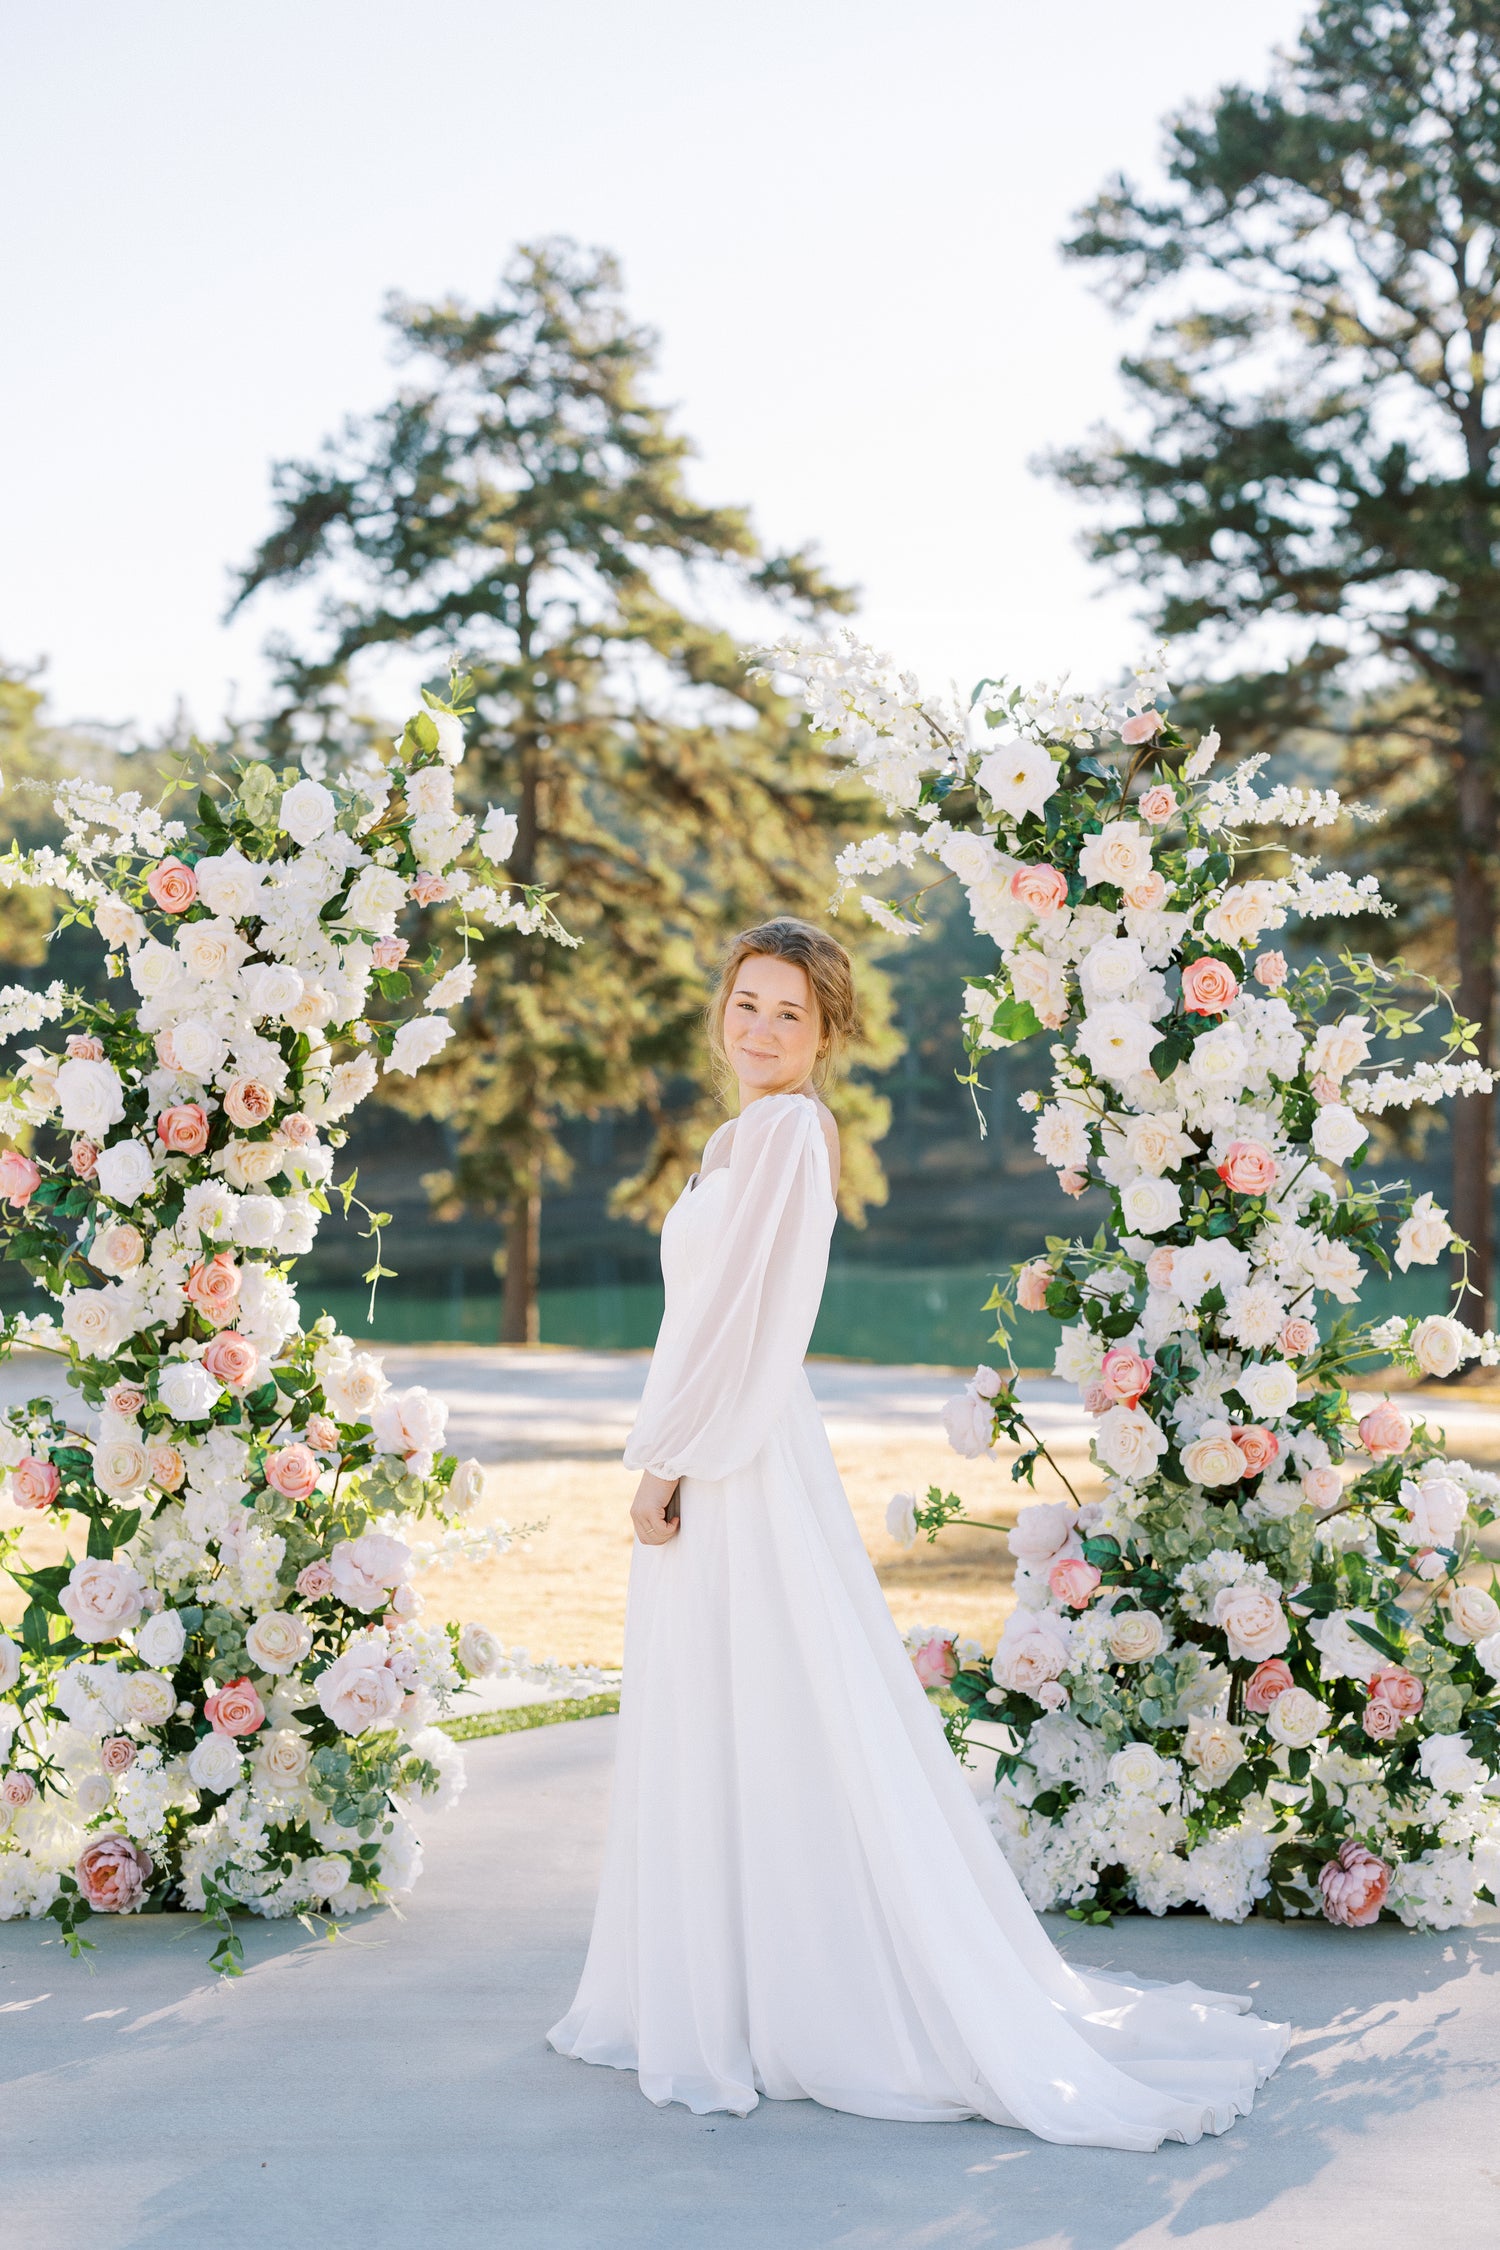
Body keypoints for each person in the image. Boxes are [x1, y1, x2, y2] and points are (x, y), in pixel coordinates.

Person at [548, 917, 1288, 2148]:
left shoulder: (789, 1134)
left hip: (732, 1452)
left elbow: (747, 1322)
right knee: (731, 1701)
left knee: (773, 1696)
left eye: (789, 1013)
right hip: (715, 1435)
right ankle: (723, 1976)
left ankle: (798, 1992)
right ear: (720, 1009)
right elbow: (701, 1319)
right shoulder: (736, 1137)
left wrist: (666, 1463)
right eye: (746, 1003)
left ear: (827, 1031)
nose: (761, 1029)